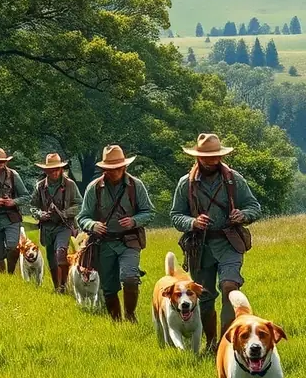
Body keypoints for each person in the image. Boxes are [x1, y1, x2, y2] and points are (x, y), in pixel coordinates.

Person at [170, 133, 262, 351]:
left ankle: (225, 344)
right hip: (199, 246)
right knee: (205, 297)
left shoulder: (234, 179)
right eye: (206, 157)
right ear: (198, 157)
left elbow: (254, 207)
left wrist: (243, 215)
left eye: (215, 156)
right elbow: (175, 215)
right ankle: (211, 343)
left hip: (230, 241)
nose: (211, 160)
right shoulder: (186, 183)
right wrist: (192, 222)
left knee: (230, 287)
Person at [77, 145, 154, 322]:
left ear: (124, 167)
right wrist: (92, 224)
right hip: (103, 243)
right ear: (104, 169)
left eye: (117, 168)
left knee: (130, 277)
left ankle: (130, 315)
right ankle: (116, 321)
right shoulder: (94, 188)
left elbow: (149, 212)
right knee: (109, 287)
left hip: (129, 241)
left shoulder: (136, 186)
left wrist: (134, 221)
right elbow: (82, 217)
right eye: (109, 169)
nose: (113, 172)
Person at [30, 153, 81, 293]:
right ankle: (56, 286)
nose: (55, 172)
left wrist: (65, 213)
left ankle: (63, 287)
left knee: (61, 253)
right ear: (45, 170)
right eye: (51, 169)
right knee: (51, 259)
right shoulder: (40, 186)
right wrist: (41, 214)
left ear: (61, 169)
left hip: (64, 226)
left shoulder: (70, 184)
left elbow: (79, 204)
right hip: (47, 227)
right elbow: (32, 206)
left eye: (57, 169)